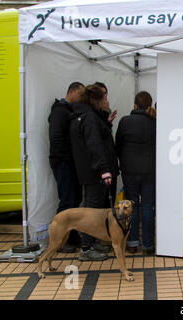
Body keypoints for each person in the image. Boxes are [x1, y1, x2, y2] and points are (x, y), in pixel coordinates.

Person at [69, 84, 120, 261]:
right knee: (91, 211)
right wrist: (104, 170)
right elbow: (94, 145)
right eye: (104, 98)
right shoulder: (89, 117)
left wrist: (106, 122)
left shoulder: (84, 115)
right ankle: (86, 248)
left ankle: (91, 243)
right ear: (96, 100)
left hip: (90, 171)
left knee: (94, 209)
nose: (107, 101)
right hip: (94, 173)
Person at [116, 91, 156, 255]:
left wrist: (124, 161)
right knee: (147, 206)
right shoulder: (155, 122)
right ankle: (148, 245)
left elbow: (117, 145)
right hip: (150, 170)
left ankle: (132, 244)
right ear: (149, 104)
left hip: (129, 170)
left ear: (135, 104)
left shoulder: (125, 121)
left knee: (130, 206)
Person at [48, 82, 84, 253]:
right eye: (80, 93)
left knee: (75, 199)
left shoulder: (69, 111)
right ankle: (59, 240)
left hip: (71, 163)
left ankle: (72, 235)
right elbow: (56, 139)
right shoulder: (59, 112)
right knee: (67, 200)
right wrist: (67, 158)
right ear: (71, 91)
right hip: (63, 163)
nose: (81, 97)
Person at [94, 82, 118, 206]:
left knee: (110, 200)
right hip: (101, 166)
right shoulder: (92, 115)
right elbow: (97, 139)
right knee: (101, 202)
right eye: (102, 96)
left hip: (110, 164)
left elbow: (107, 136)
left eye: (106, 95)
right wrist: (106, 120)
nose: (105, 99)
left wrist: (108, 120)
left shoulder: (106, 111)